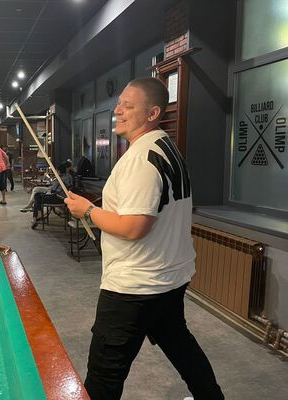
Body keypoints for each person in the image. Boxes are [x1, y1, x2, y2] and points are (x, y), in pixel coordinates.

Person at [64, 77, 224, 400]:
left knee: (103, 377)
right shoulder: (168, 148)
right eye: (119, 104)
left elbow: (135, 226)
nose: (118, 111)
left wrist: (87, 211)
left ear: (152, 113)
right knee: (184, 350)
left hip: (135, 287)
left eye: (128, 106)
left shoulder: (142, 159)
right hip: (168, 279)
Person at [30, 160, 73, 229]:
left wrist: (50, 180)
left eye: (57, 171)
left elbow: (53, 189)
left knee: (37, 196)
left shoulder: (60, 178)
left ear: (59, 171)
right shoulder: (69, 177)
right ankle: (36, 218)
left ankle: (37, 217)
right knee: (37, 198)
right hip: (64, 198)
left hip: (58, 198)